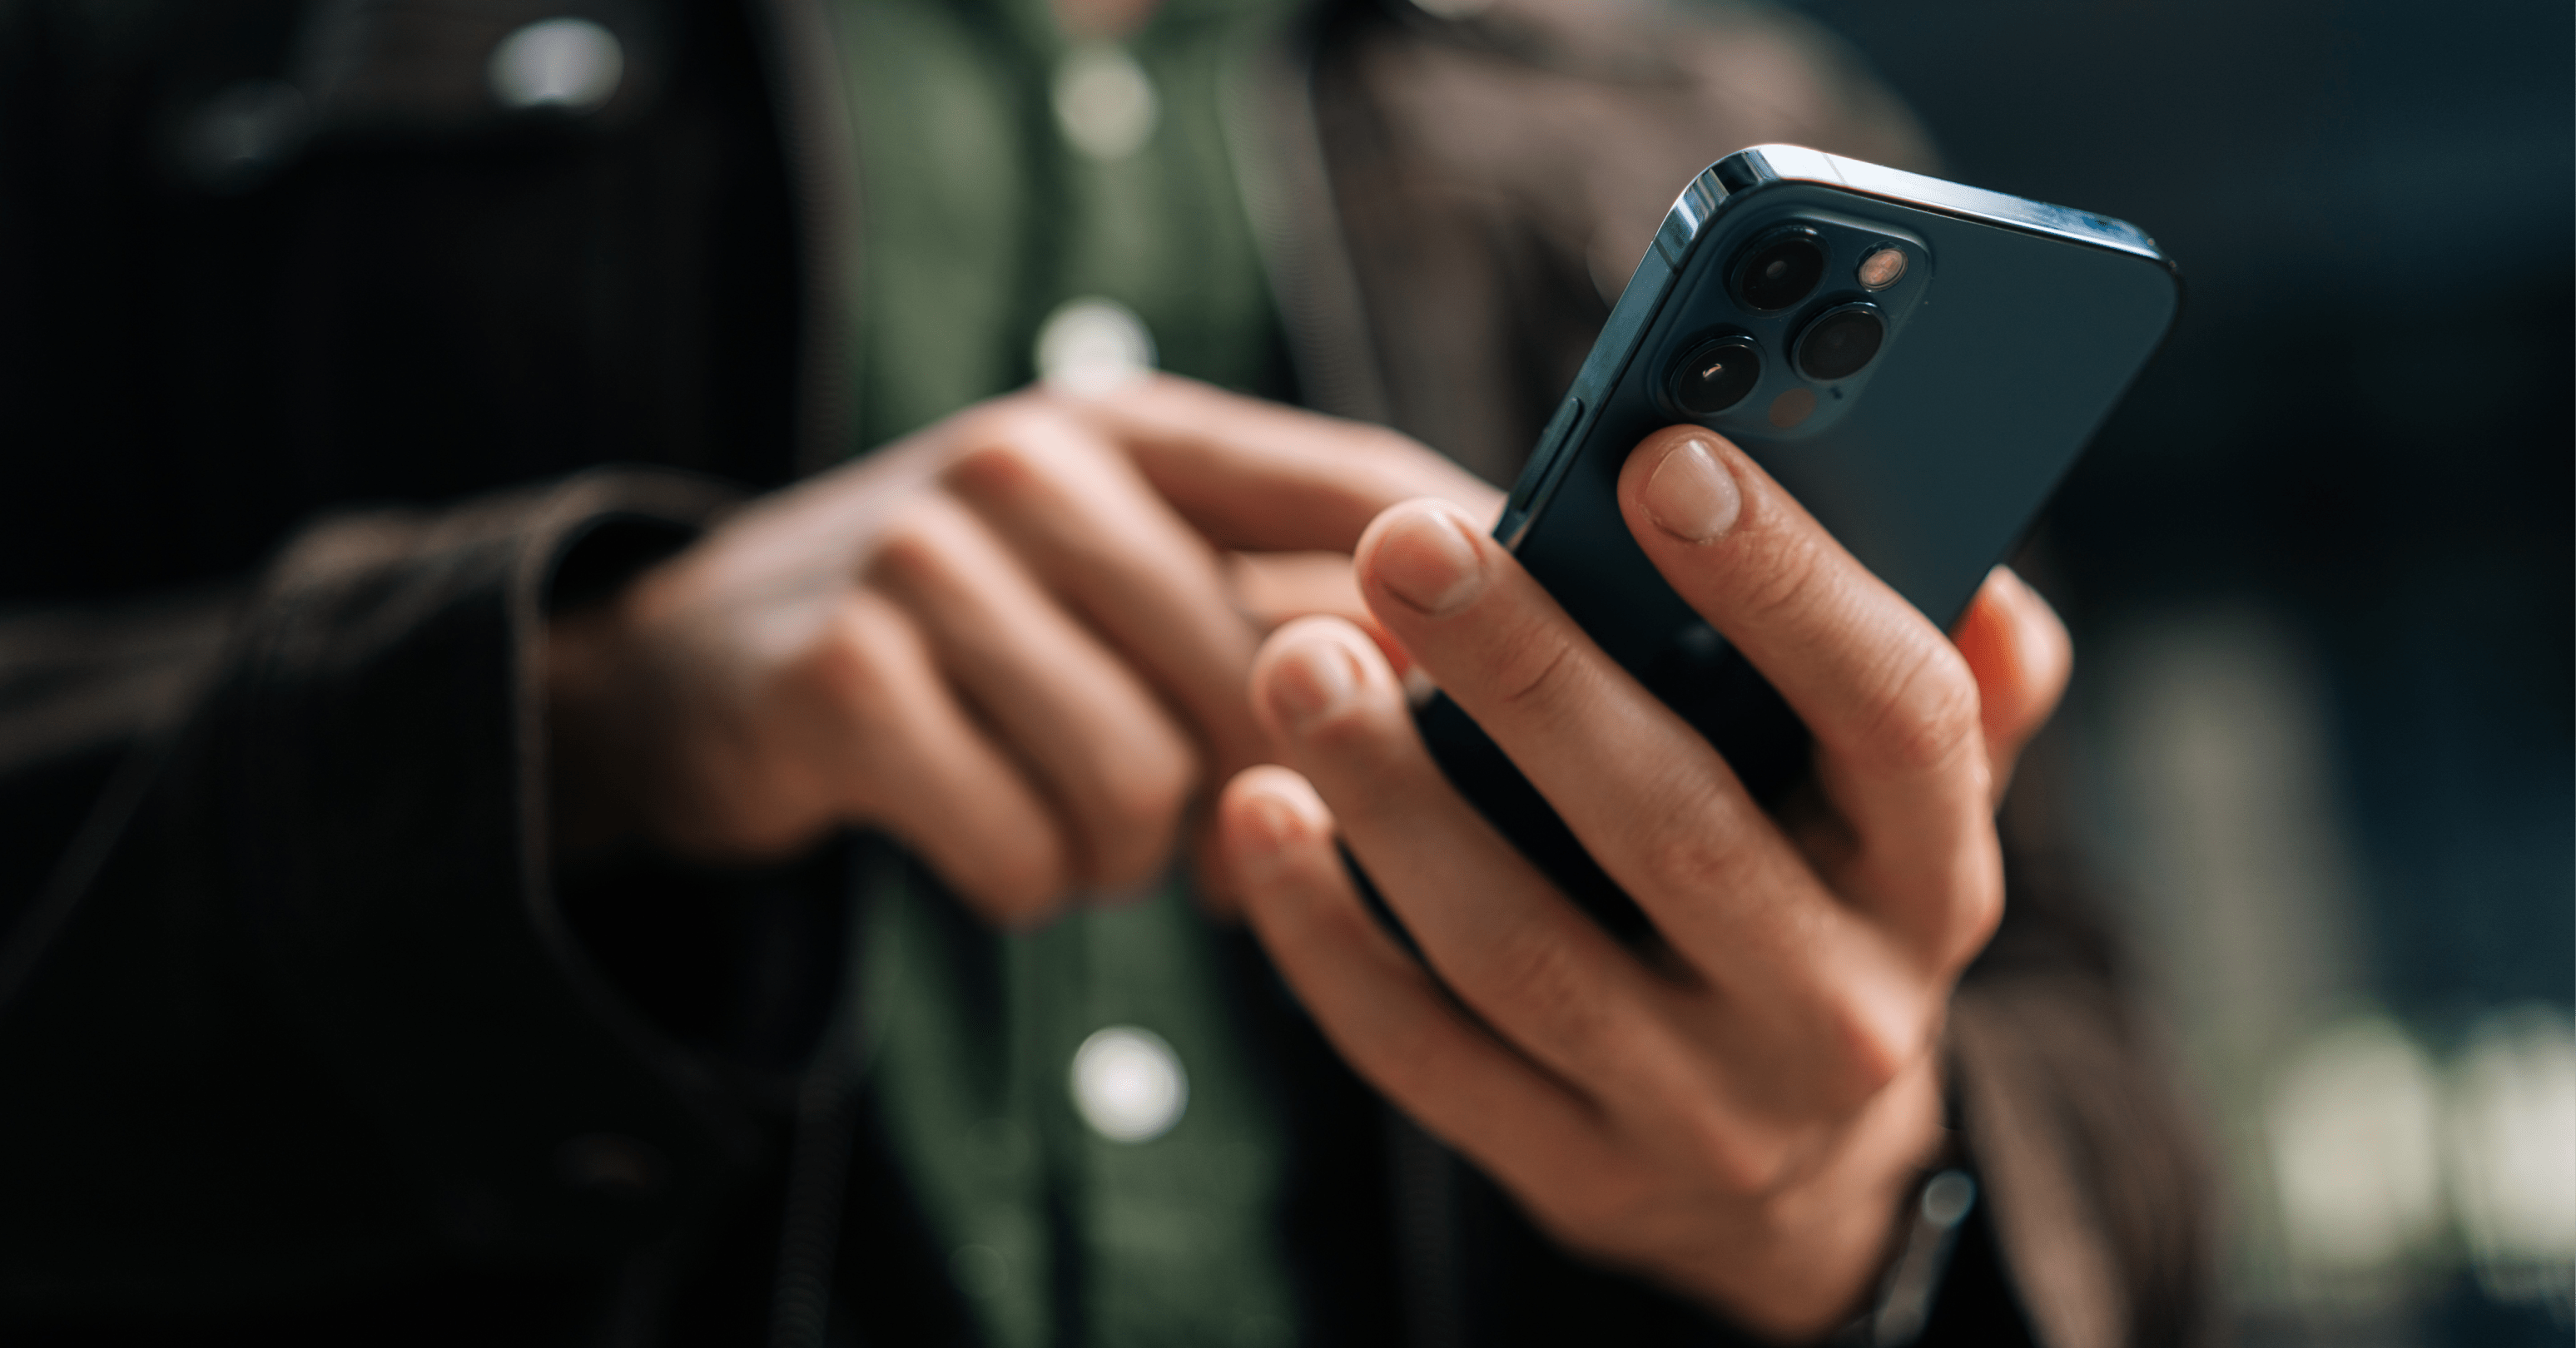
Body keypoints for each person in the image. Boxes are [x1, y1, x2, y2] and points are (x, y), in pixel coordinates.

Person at [0, 0, 2210, 1342]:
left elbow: (2114, 1112)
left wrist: (1847, 1200)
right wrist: (604, 709)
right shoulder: (167, 54)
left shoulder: (1699, 106)